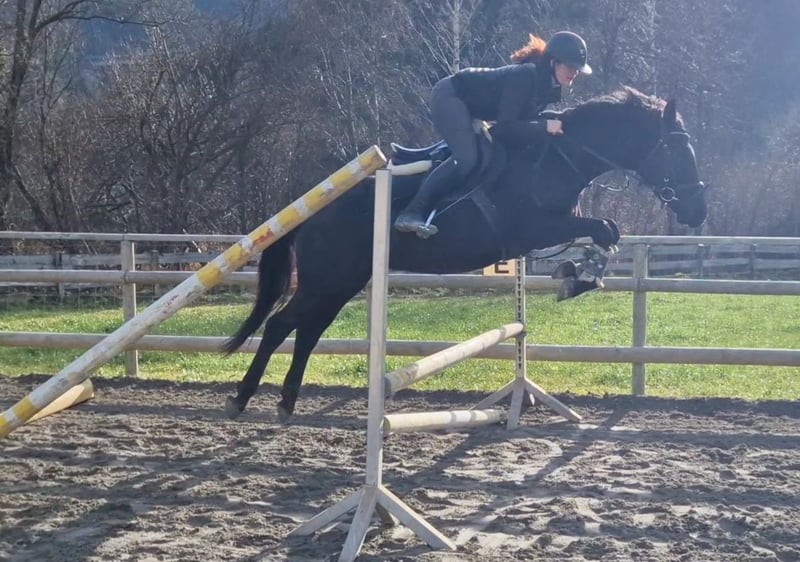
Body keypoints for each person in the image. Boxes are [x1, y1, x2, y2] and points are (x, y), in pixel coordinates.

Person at [394, 31, 592, 238]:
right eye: (570, 66)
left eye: (577, 69)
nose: (574, 73)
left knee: (491, 156)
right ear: (553, 62)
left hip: (470, 108)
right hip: (450, 96)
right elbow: (505, 129)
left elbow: (526, 123)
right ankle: (412, 212)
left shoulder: (546, 87)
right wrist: (544, 127)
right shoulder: (525, 77)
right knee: (468, 159)